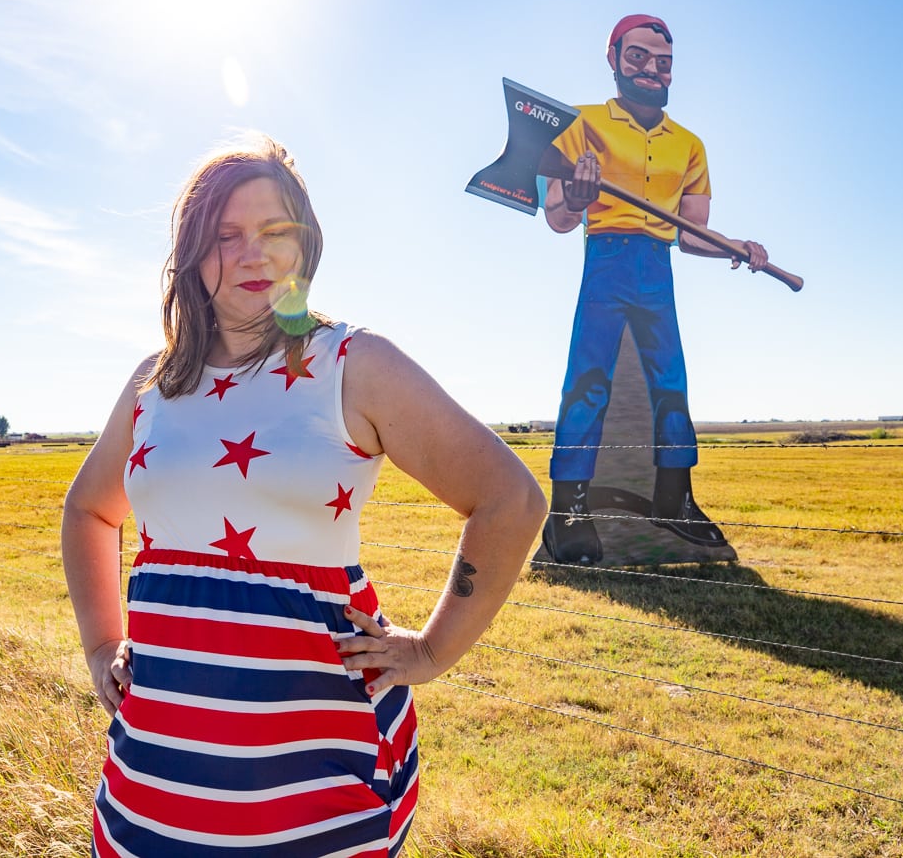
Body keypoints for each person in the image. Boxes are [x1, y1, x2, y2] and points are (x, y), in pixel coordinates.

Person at [61, 135, 546, 856]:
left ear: (305, 245)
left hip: (317, 781)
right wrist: (102, 644)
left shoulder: (353, 363)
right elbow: (89, 510)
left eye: (274, 231)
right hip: (153, 779)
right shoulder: (154, 383)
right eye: (226, 235)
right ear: (192, 253)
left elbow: (510, 497)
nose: (253, 252)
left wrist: (434, 649)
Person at [538, 14, 770, 563]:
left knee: (671, 381)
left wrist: (737, 247)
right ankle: (567, 508)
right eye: (638, 56)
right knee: (588, 379)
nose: (651, 69)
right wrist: (576, 196)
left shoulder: (689, 144)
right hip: (607, 258)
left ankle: (675, 498)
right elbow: (556, 218)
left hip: (656, 266)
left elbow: (692, 234)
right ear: (613, 56)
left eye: (662, 62)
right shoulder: (579, 124)